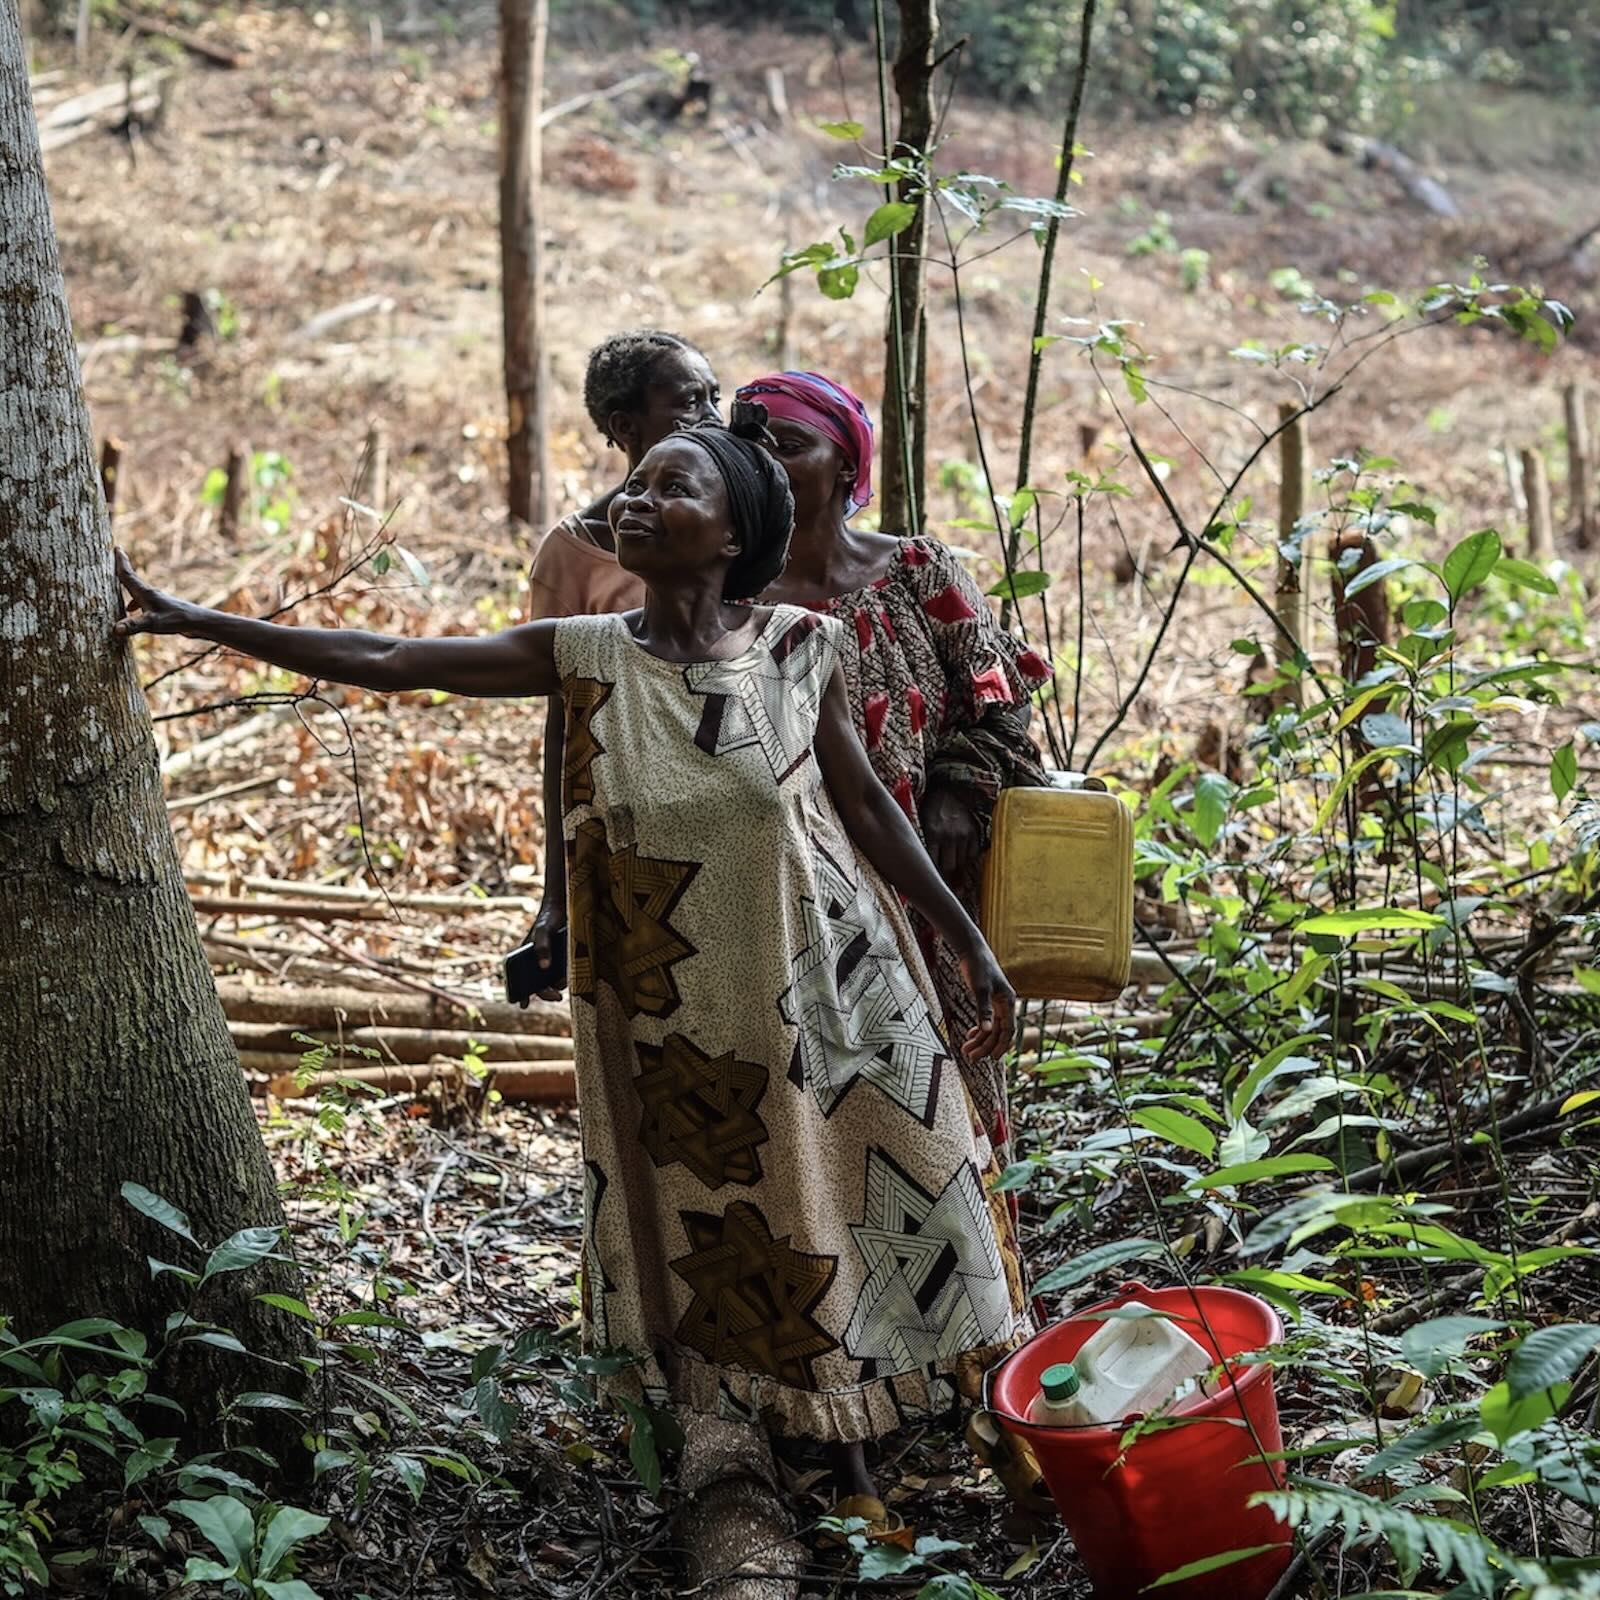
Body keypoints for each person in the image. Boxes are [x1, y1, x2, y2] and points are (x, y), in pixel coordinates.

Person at [112, 404, 1030, 1523]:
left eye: (673, 488)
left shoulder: (801, 649)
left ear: (734, 533)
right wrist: (189, 617)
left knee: (895, 1196)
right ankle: (820, 1462)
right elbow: (394, 660)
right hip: (686, 1028)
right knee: (758, 1230)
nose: (637, 499)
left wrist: (969, 946)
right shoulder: (585, 658)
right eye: (633, 484)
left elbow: (871, 814)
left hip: (838, 996)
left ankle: (964, 1430)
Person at [742, 371, 1053, 1162]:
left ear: (847, 468)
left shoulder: (916, 573)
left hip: (930, 885)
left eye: (791, 444)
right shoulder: (730, 602)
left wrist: (960, 787)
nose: (767, 461)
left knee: (953, 1106)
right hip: (796, 896)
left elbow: (1004, 704)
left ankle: (982, 1281)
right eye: (751, 444)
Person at [525, 330, 722, 996]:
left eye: (715, 398)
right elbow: (565, 728)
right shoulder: (573, 555)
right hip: (631, 821)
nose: (713, 418)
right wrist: (557, 893)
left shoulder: (731, 528)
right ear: (625, 426)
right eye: (691, 403)